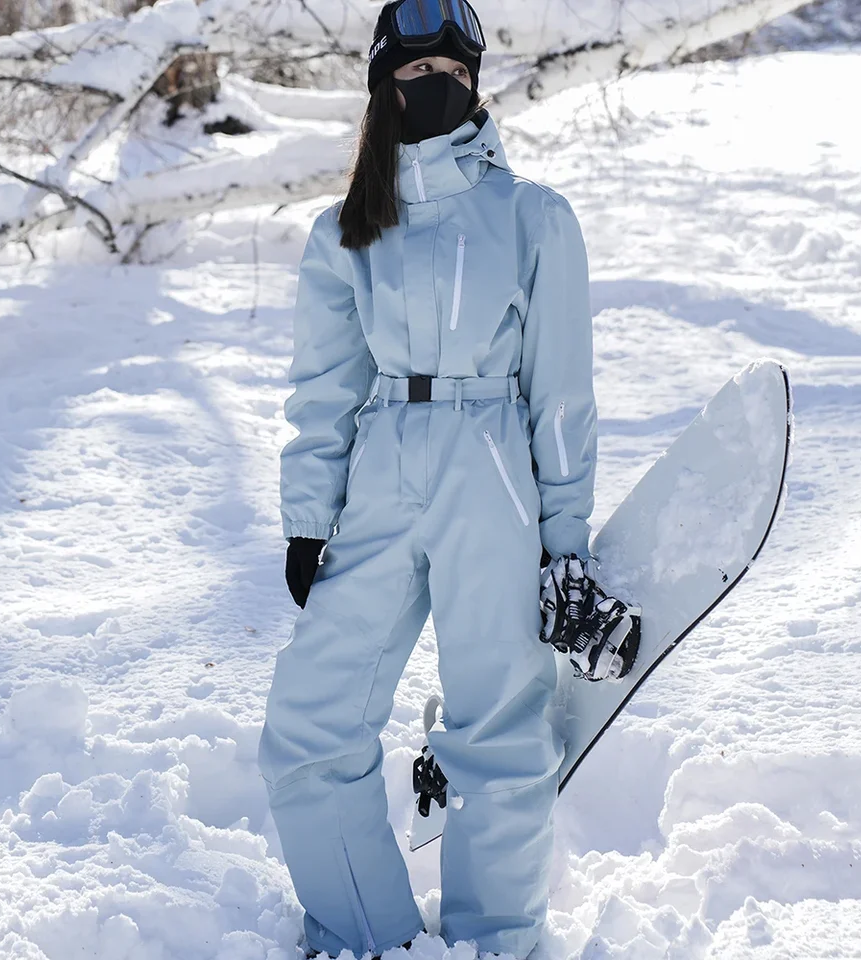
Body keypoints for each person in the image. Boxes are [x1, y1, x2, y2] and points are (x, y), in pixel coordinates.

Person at [257, 1, 598, 957]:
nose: (433, 84)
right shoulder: (343, 231)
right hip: (379, 474)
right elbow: (324, 390)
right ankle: (367, 936)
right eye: (412, 72)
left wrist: (564, 542)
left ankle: (498, 939)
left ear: (477, 82)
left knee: (498, 726)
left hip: (492, 472)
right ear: (380, 87)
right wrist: (307, 516)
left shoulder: (535, 218)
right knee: (309, 721)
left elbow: (561, 394)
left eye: (452, 66)